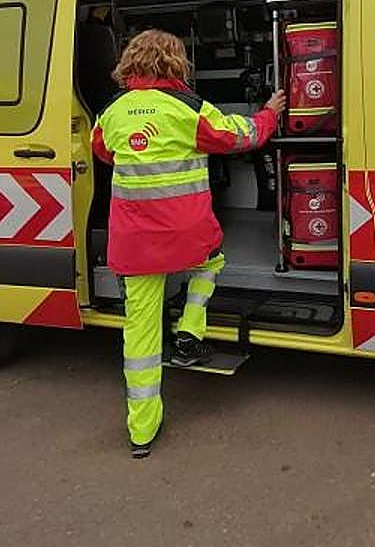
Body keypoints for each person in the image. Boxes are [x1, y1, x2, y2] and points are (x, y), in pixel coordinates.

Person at [90, 29, 285, 457]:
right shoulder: (188, 108)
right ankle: (189, 330)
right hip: (187, 237)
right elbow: (242, 136)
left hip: (135, 245)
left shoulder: (112, 112)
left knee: (139, 336)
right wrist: (269, 112)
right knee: (211, 262)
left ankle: (141, 432)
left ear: (131, 62)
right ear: (176, 62)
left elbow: (101, 151)